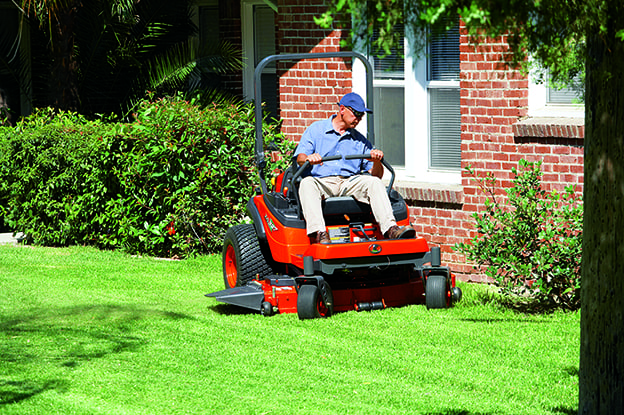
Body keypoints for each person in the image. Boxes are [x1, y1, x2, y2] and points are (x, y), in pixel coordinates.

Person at [294, 92, 415, 244]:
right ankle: (320, 233)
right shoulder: (316, 130)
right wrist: (309, 158)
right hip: (322, 182)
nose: (358, 119)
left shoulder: (360, 141)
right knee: (306, 183)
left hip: (349, 182)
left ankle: (391, 229)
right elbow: (300, 158)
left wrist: (376, 160)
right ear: (342, 109)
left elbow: (376, 175)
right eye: (356, 113)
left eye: (361, 115)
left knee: (374, 183)